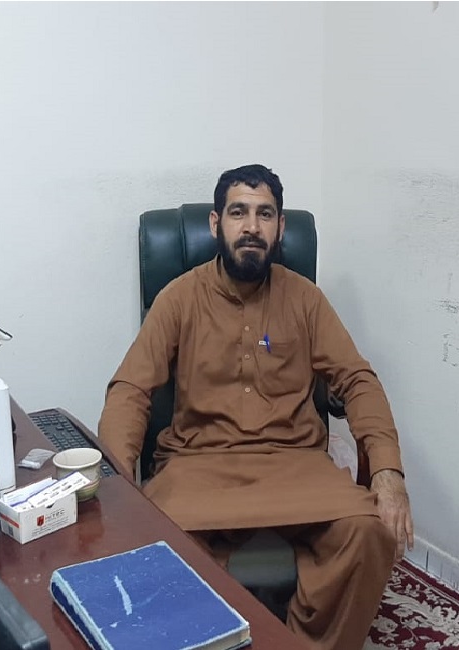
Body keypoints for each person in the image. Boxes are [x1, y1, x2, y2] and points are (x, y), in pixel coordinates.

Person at [98, 164, 413, 650]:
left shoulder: (305, 299)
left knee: (368, 533)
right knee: (152, 549)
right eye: (238, 212)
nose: (251, 226)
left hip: (296, 468)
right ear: (215, 223)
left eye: (265, 214)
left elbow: (357, 379)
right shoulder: (178, 298)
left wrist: (388, 472)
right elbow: (131, 390)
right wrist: (115, 485)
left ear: (280, 227)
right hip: (199, 467)